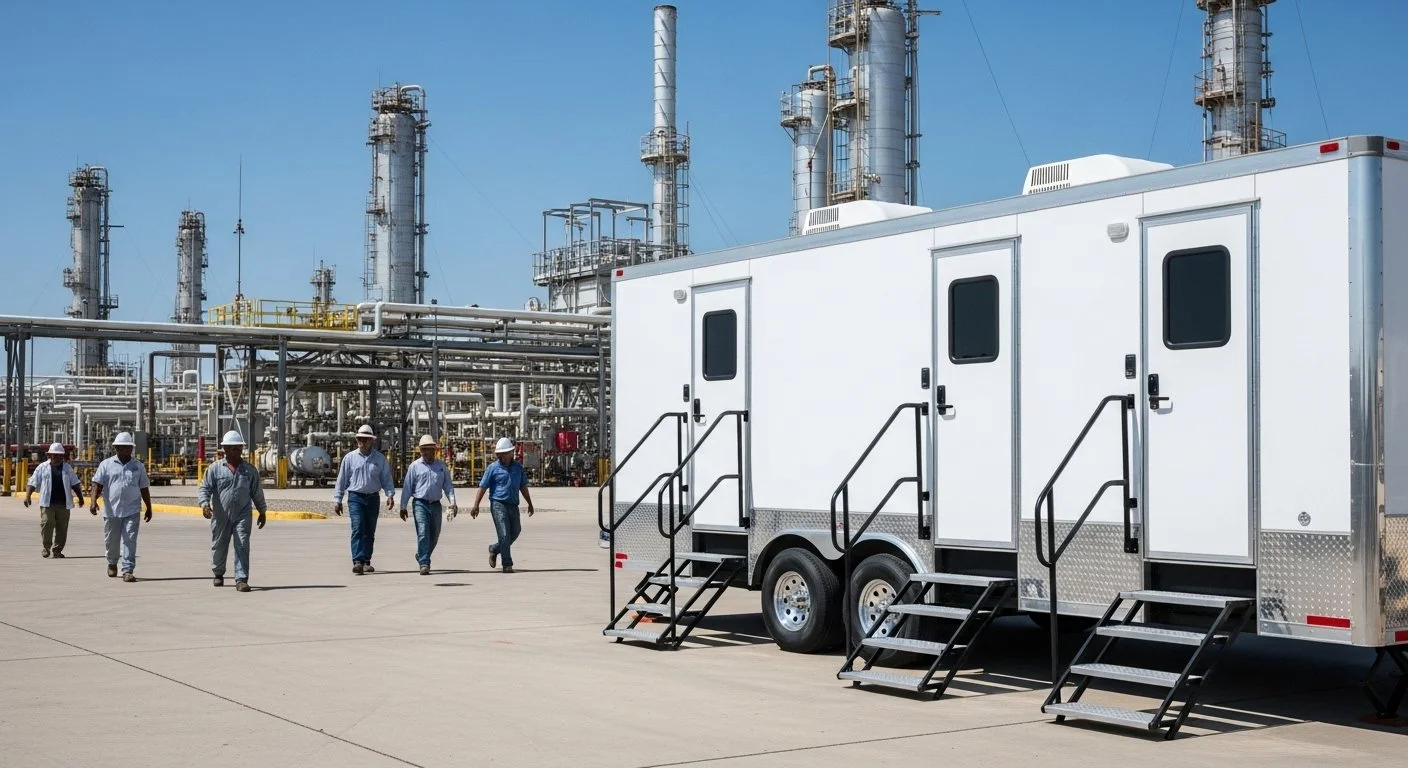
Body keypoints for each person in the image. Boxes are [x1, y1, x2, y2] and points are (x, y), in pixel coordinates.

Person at [198, 431, 267, 592]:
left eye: (239, 447)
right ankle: (218, 573)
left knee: (242, 544)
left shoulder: (249, 471)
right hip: (220, 514)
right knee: (219, 544)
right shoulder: (215, 469)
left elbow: (257, 492)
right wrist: (204, 504)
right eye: (233, 447)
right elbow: (205, 488)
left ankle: (241, 578)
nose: (236, 450)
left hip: (242, 514)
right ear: (225, 449)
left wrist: (262, 511)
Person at [89, 432, 153, 582]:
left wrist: (149, 507)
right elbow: (96, 484)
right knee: (111, 540)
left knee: (130, 540)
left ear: (131, 449)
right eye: (119, 448)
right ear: (115, 448)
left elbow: (144, 487)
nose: (121, 450)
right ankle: (112, 562)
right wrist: (93, 501)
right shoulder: (106, 465)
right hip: (111, 511)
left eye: (125, 448)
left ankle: (128, 569)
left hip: (132, 510)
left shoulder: (138, 466)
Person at [332, 424, 395, 575]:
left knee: (369, 530)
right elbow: (342, 479)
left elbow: (386, 478)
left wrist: (390, 495)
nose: (362, 442)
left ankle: (366, 560)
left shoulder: (379, 459)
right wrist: (338, 499)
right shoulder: (350, 458)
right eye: (360, 439)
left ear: (371, 441)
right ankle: (358, 560)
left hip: (373, 498)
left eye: (365, 439)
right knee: (358, 527)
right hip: (355, 497)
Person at [468, 437, 535, 574]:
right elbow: (482, 487)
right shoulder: (492, 468)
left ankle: (495, 549)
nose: (502, 456)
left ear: (511, 453)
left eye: (505, 453)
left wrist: (530, 503)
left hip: (513, 505)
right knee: (504, 533)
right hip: (498, 504)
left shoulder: (517, 468)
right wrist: (476, 505)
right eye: (500, 454)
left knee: (515, 532)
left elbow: (523, 486)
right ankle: (507, 563)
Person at [399, 435, 458, 575]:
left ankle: (421, 555)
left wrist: (453, 502)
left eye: (429, 450)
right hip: (420, 503)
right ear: (420, 451)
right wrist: (403, 506)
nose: (427, 453)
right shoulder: (415, 467)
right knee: (423, 532)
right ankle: (425, 563)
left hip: (436, 505)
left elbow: (448, 487)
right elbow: (407, 488)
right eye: (424, 450)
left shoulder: (441, 467)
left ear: (435, 450)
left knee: (434, 535)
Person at [24, 443, 84, 559]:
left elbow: (75, 484)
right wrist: (28, 496)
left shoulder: (67, 468)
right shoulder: (42, 467)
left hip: (64, 504)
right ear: (49, 455)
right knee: (47, 523)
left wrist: (80, 498)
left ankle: (57, 550)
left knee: (62, 528)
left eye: (60, 455)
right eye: (55, 455)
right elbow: (32, 482)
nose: (57, 457)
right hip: (47, 503)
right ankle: (46, 547)